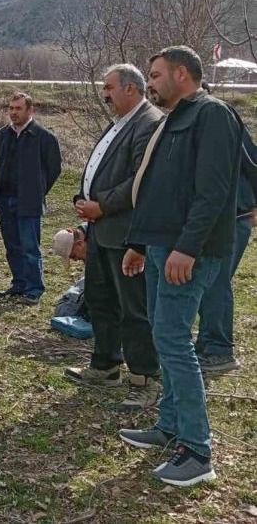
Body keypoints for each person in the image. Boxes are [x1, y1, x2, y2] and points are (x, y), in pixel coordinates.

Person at [119, 46, 243, 487]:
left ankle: (196, 449)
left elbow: (213, 192)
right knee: (163, 333)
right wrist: (139, 243)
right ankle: (169, 425)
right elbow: (157, 187)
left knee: (172, 340)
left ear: (181, 73)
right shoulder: (176, 116)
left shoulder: (212, 115)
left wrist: (187, 248)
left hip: (188, 253)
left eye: (154, 75)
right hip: (159, 247)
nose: (149, 83)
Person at [64, 64, 164, 411]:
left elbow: (141, 180)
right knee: (101, 300)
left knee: (133, 308)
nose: (104, 94)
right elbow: (100, 167)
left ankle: (144, 378)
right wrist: (81, 198)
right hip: (101, 231)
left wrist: (101, 206)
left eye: (109, 87)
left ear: (131, 89)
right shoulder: (120, 121)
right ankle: (106, 366)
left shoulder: (148, 122)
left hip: (126, 234)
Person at [195, 81, 257, 373]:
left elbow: (252, 162)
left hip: (234, 216)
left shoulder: (223, 118)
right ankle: (207, 342)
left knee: (216, 282)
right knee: (208, 282)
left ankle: (219, 350)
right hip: (213, 219)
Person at [0, 92, 62, 306]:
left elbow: (54, 169)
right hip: (5, 200)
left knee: (30, 247)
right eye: (11, 108)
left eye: (18, 108)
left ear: (30, 110)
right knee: (12, 246)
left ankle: (34, 289)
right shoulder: (3, 135)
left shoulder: (44, 137)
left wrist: (38, 191)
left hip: (29, 201)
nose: (13, 112)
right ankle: (19, 283)